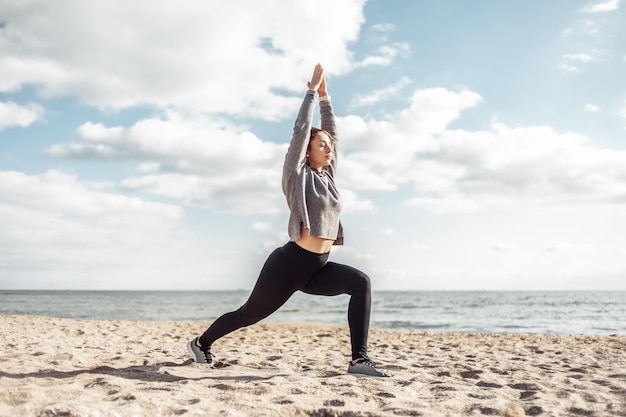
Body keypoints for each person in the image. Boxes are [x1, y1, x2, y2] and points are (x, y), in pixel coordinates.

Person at [187, 63, 388, 378]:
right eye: (321, 145)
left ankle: (359, 360)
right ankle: (201, 343)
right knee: (247, 315)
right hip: (288, 265)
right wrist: (311, 94)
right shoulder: (296, 175)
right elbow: (300, 132)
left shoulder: (329, 176)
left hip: (318, 267)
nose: (329, 148)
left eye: (330, 146)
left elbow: (333, 132)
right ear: (306, 151)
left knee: (360, 282)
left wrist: (327, 99)